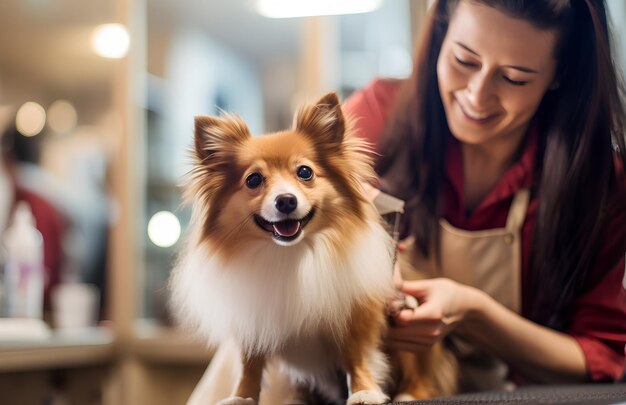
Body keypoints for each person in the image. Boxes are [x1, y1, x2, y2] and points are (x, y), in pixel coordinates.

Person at [343, 0, 626, 390]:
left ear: (559, 74)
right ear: (441, 31)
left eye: (514, 78)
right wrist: (365, 239)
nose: (477, 96)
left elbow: (600, 359)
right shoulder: (379, 112)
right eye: (464, 60)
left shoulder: (596, 183)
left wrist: (475, 313)